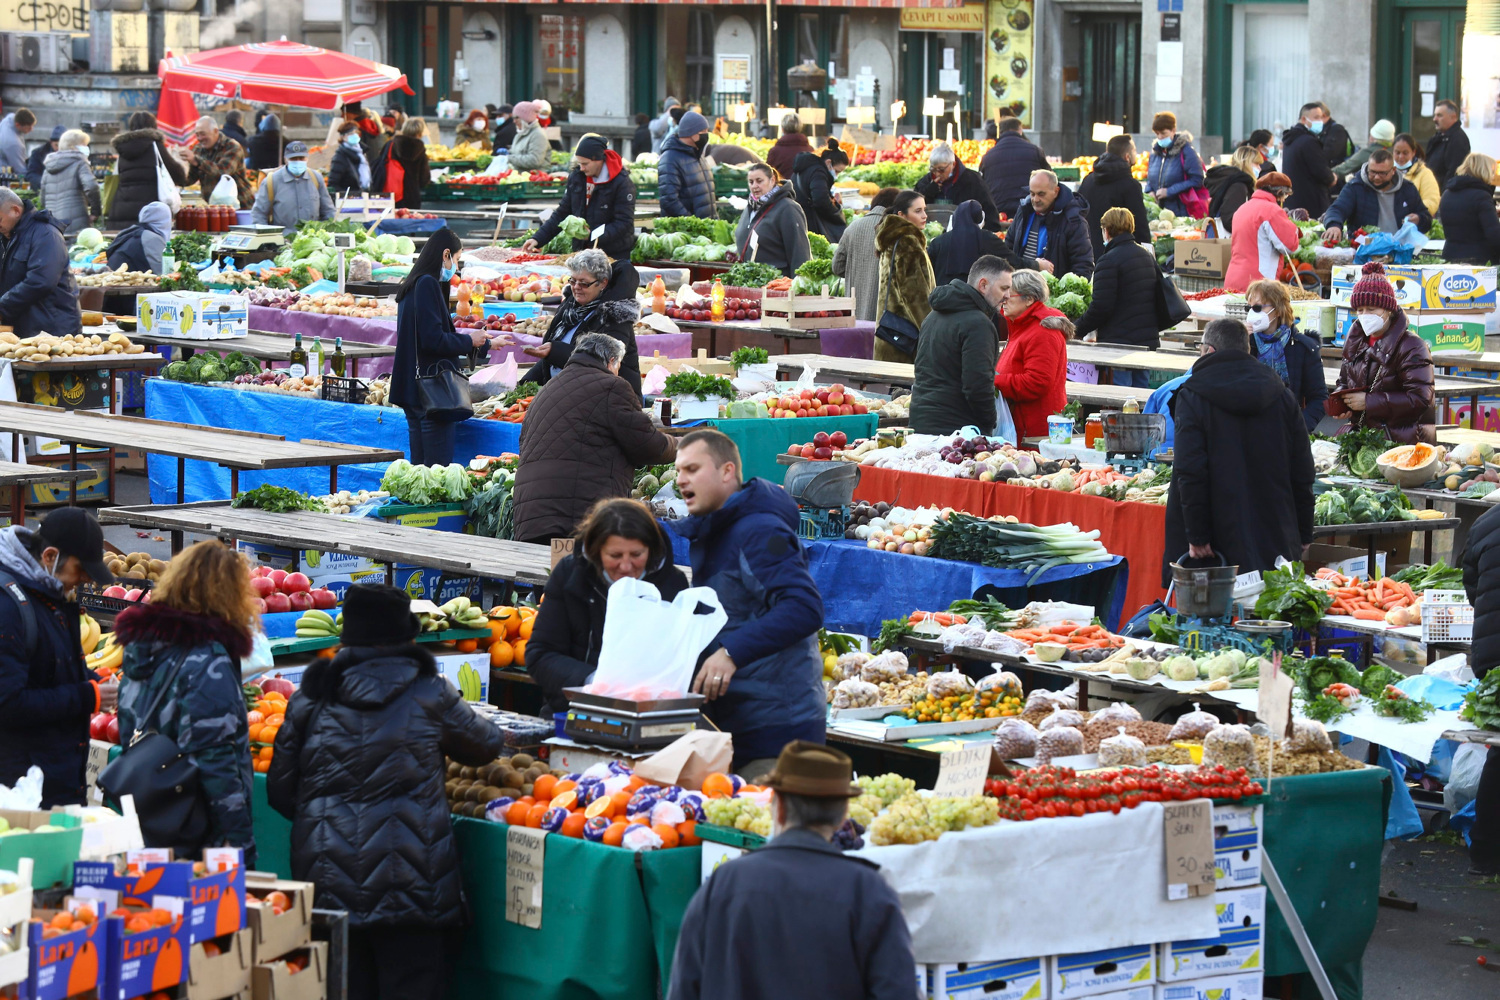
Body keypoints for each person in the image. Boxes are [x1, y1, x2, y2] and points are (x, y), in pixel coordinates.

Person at [267, 583, 504, 1000]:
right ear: (407, 636)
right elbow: (485, 744)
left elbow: (281, 792)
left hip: (329, 882)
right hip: (414, 881)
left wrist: (329, 824)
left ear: (348, 637)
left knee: (343, 987)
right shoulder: (430, 691)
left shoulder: (311, 697)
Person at [667, 741, 915, 1000]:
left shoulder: (724, 883)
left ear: (780, 808)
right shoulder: (868, 891)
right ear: (843, 815)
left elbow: (685, 987)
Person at [671, 431, 825, 776]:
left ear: (727, 472)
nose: (681, 480)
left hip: (777, 730)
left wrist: (731, 652)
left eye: (692, 469)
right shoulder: (717, 528)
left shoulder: (759, 531)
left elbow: (804, 607)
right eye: (679, 470)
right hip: (737, 724)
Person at [113, 541, 256, 863]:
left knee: (156, 909)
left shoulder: (142, 648)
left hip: (151, 814)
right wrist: (239, 844)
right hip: (195, 829)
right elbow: (214, 760)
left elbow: (128, 728)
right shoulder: (207, 661)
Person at [1163, 318, 1314, 584]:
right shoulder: (1282, 394)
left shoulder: (1192, 395)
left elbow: (1190, 470)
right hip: (1275, 535)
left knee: (1211, 623)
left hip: (1214, 546)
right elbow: (1302, 471)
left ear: (1208, 351)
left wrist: (1197, 536)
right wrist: (1303, 533)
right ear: (1247, 350)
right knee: (1268, 618)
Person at [0, 508, 116, 808]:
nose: (85, 579)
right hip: (20, 794)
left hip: (55, 782)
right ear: (50, 557)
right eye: (80, 570)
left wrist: (93, 679)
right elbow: (9, 703)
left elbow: (48, 670)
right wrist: (87, 695)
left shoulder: (50, 594)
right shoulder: (8, 607)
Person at [528, 499, 689, 713]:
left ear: (650, 550)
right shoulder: (569, 575)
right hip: (572, 712)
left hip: (647, 713)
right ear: (596, 550)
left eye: (636, 555)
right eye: (615, 556)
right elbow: (540, 655)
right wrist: (594, 682)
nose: (625, 566)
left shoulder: (671, 583)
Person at [514, 331, 674, 544]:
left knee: (557, 576)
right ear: (611, 361)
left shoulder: (547, 390)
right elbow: (648, 446)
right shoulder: (612, 386)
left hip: (532, 518)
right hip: (580, 519)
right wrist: (681, 445)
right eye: (618, 367)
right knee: (587, 575)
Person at [390, 229, 494, 465]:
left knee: (420, 471)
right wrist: (469, 340)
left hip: (414, 389)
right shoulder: (427, 284)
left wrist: (484, 342)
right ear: (445, 254)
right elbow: (433, 340)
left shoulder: (413, 284)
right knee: (435, 472)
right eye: (456, 259)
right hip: (430, 391)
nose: (455, 268)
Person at [1328, 262, 1436, 444]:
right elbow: (1344, 380)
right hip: (1364, 440)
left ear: (1388, 310)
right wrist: (1343, 402)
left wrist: (1369, 402)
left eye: (1372, 309)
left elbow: (1420, 399)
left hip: (1402, 443)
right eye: (1360, 310)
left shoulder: (1412, 346)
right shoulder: (1355, 340)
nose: (1365, 315)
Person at [519, 250, 645, 400]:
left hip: (609, 401)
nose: (576, 287)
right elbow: (549, 361)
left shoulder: (615, 316)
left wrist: (555, 351)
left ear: (603, 283)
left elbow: (602, 363)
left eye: (584, 283)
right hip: (567, 396)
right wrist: (523, 386)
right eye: (573, 281)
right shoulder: (570, 308)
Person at [909, 255, 1011, 436]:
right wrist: (990, 422)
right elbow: (978, 384)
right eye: (1004, 288)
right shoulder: (978, 324)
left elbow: (921, 369)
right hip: (958, 432)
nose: (1007, 296)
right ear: (983, 285)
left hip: (921, 421)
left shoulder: (932, 316)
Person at [1074, 208, 1160, 382]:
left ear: (1106, 231)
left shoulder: (1108, 261)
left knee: (1122, 395)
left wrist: (1076, 329)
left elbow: (1101, 307)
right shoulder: (1146, 255)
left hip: (1119, 344)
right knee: (1140, 395)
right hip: (1145, 340)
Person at [1461, 509, 1500, 877]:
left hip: (1491, 655)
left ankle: (1485, 854)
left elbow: (1472, 586)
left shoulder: (1486, 521)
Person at [526, 135, 636, 261]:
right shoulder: (577, 177)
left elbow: (623, 223)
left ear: (599, 160)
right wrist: (538, 238)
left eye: (585, 164)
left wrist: (592, 235)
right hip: (582, 253)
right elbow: (562, 213)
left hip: (613, 255)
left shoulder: (622, 183)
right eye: (579, 163)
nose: (582, 168)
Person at [993, 268, 1070, 438]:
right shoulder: (1020, 326)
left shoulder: (1043, 331)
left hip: (1035, 429)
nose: (1003, 300)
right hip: (1022, 423)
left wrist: (994, 380)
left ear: (1029, 299)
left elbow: (1037, 382)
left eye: (1009, 295)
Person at [1245, 279, 1327, 431]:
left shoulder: (1303, 347)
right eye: (1248, 308)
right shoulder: (1245, 343)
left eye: (1257, 308)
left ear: (1277, 310)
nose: (1251, 313)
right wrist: (1241, 345)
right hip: (1248, 429)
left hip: (1288, 429)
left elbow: (1318, 398)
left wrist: (1299, 427)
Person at [0, 187, 80, 338]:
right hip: (23, 329)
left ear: (16, 211)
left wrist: (2, 307)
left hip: (53, 330)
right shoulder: (7, 236)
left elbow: (41, 281)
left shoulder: (46, 234)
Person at [873, 191, 935, 363]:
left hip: (892, 333)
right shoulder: (908, 242)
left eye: (924, 210)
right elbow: (915, 296)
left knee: (896, 388)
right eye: (918, 211)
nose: (924, 215)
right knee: (906, 389)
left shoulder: (892, 239)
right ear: (902, 214)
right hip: (908, 337)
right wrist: (932, 331)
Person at [1321, 147, 1430, 241]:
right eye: (1372, 172)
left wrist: (1419, 219)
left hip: (1400, 250)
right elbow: (1337, 209)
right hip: (1364, 249)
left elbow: (1426, 218)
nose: (1377, 177)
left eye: (1382, 173)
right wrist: (1334, 225)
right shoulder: (1355, 187)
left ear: (1393, 170)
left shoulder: (1408, 189)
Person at [1004, 169, 1092, 278]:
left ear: (1056, 191)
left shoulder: (1073, 220)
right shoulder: (1024, 211)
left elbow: (1082, 264)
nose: (1035, 199)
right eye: (1032, 194)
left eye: (1041, 194)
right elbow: (1008, 247)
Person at [927, 199, 1034, 287]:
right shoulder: (988, 239)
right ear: (979, 218)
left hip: (943, 300)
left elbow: (927, 271)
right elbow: (1013, 261)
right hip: (977, 301)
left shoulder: (938, 242)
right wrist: (1037, 265)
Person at [1224, 172, 1299, 293]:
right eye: (1286, 196)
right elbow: (1289, 246)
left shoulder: (1242, 208)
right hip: (1258, 283)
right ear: (1280, 192)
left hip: (1233, 277)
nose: (1284, 200)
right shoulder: (1272, 210)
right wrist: (1295, 229)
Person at [109, 111, 188, 225]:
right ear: (154, 126)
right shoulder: (155, 146)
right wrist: (182, 161)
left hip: (121, 213)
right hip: (150, 213)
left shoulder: (122, 150)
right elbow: (179, 176)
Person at [734, 162, 810, 277]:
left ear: (772, 180)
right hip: (752, 281)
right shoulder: (750, 207)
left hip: (777, 284)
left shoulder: (787, 208)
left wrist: (798, 285)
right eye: (751, 182)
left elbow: (799, 252)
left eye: (759, 181)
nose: (754, 186)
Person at [833, 187, 897, 323]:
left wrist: (857, 272)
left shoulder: (852, 227)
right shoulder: (895, 230)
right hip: (883, 314)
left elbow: (837, 267)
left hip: (853, 311)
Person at [1078, 133, 1149, 254]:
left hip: (1087, 252)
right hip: (1119, 256)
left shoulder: (1088, 180)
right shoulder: (1130, 186)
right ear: (1127, 156)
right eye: (1134, 150)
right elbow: (1140, 227)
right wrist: (1147, 254)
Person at [251, 141, 334, 236]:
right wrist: (266, 238)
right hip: (282, 241)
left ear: (307, 158)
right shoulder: (271, 181)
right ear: (285, 159)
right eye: (293, 158)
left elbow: (328, 210)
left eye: (301, 158)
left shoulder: (316, 178)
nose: (298, 161)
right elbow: (259, 213)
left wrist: (325, 233)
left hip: (312, 240)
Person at [917, 142, 999, 230]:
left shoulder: (973, 181)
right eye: (933, 169)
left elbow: (989, 212)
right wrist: (929, 191)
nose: (937, 174)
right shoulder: (926, 181)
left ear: (953, 164)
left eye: (941, 170)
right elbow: (914, 205)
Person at [980, 116, 1048, 219]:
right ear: (1020, 130)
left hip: (1000, 212)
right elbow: (1049, 179)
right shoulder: (1035, 151)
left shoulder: (988, 157)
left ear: (1000, 132)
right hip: (1029, 209)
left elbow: (983, 187)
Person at [1440, 153, 1500, 264]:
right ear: (1483, 170)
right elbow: (1494, 235)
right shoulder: (1481, 196)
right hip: (1478, 261)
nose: (1492, 176)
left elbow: (1464, 218)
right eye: (1492, 171)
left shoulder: (1447, 193)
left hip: (1450, 256)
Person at [39, 129, 99, 237]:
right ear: (74, 146)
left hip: (52, 223)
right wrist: (95, 212)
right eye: (84, 145)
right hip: (75, 222)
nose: (87, 148)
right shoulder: (80, 162)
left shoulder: (48, 166)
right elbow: (92, 186)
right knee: (76, 251)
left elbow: (42, 198)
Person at [1145, 112, 1207, 217]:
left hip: (1181, 211)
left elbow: (1197, 180)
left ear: (1173, 130)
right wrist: (1149, 191)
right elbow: (1150, 179)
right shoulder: (1155, 154)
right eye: (1157, 133)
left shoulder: (1187, 152)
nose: (1160, 137)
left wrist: (1169, 191)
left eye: (1163, 133)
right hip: (1159, 211)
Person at [658, 110, 717, 220]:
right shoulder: (670, 158)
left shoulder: (698, 155)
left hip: (704, 230)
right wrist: (692, 222)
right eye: (703, 131)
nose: (706, 134)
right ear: (693, 134)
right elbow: (669, 200)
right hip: (687, 232)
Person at [1281, 103, 1337, 217]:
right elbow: (1321, 171)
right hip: (1311, 203)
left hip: (1293, 201)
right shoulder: (1309, 142)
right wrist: (1332, 177)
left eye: (1321, 117)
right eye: (1316, 117)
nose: (1320, 121)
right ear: (1303, 119)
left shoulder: (1290, 140)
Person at [184, 116, 251, 209]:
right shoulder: (198, 149)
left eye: (203, 134)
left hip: (239, 206)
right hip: (214, 208)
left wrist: (197, 161)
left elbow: (223, 171)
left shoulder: (232, 146)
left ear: (216, 131)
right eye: (197, 135)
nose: (199, 138)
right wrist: (176, 167)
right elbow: (190, 179)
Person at [791, 138, 848, 241]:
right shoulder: (818, 172)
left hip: (797, 215)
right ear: (828, 162)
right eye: (837, 171)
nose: (837, 175)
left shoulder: (808, 166)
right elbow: (820, 200)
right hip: (808, 218)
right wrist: (837, 214)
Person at [105, 201, 172, 275]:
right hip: (122, 282)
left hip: (112, 278)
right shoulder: (153, 239)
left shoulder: (133, 231)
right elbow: (163, 273)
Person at [1205, 146, 1260, 232]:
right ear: (1246, 163)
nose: (1259, 168)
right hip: (1230, 240)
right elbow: (1229, 219)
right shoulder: (1239, 186)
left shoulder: (1234, 182)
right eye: (1256, 164)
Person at [387, 118, 431, 210]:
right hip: (412, 195)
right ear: (419, 133)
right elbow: (424, 179)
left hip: (391, 193)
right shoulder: (420, 150)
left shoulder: (391, 145)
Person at [1426, 99, 1470, 191]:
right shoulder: (1437, 138)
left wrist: (1444, 195)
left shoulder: (1458, 140)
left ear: (1453, 117)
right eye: (1435, 115)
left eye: (1439, 115)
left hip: (1443, 195)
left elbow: (1453, 172)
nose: (1435, 119)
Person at [1395, 132, 1440, 217]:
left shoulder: (1425, 174)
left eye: (1405, 153)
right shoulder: (1386, 172)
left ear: (1413, 152)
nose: (1401, 157)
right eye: (1397, 153)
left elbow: (1432, 201)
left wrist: (1413, 213)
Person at [1316, 104, 1356, 191]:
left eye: (1316, 117)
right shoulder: (1319, 131)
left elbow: (1330, 153)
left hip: (1335, 177)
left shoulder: (1337, 130)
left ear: (1323, 115)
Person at [327, 121, 370, 197]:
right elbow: (333, 183)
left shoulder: (361, 153)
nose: (354, 135)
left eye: (356, 132)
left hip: (362, 197)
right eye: (350, 134)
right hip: (348, 202)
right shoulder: (340, 157)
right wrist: (347, 196)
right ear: (343, 137)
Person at [505, 102, 552, 172]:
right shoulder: (519, 134)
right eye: (513, 118)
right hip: (522, 177)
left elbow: (534, 160)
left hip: (535, 179)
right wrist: (507, 153)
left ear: (526, 118)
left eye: (517, 118)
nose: (514, 121)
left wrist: (509, 158)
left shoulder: (538, 135)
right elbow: (516, 154)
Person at [766, 113, 813, 182]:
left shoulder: (775, 151)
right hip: (805, 191)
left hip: (782, 190)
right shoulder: (810, 150)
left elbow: (767, 174)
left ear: (782, 129)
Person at [24, 126, 63, 190]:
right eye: (56, 145)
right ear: (51, 142)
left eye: (61, 145)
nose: (58, 148)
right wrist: (44, 184)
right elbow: (32, 174)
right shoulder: (38, 153)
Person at [0, 109, 34, 175]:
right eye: (29, 128)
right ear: (18, 125)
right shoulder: (13, 144)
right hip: (4, 174)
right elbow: (20, 170)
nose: (32, 130)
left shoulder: (10, 118)